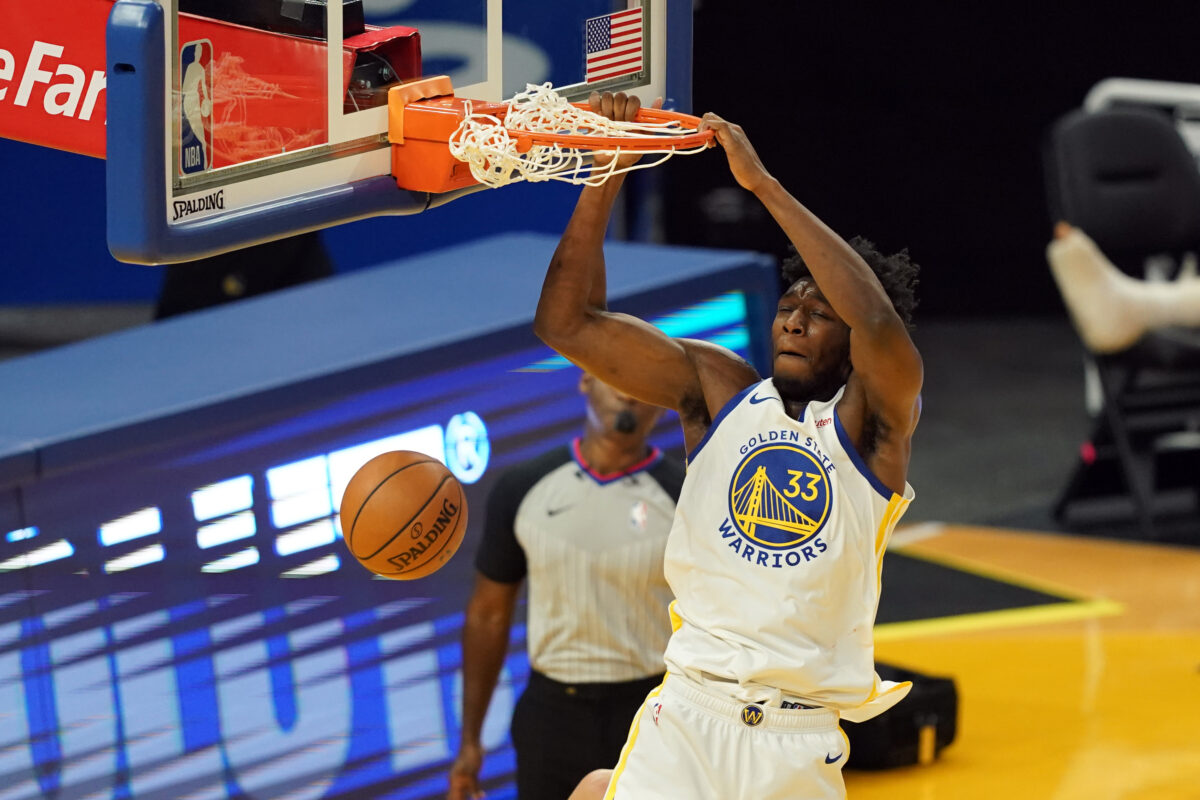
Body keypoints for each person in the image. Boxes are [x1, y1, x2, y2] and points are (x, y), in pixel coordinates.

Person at [534, 93, 922, 800]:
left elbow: (875, 319)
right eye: (788, 309)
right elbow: (567, 324)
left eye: (818, 315)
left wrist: (763, 187)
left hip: (794, 740)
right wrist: (606, 173)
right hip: (687, 714)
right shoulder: (719, 390)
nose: (794, 324)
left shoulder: (874, 429)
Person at [447, 372, 686, 800]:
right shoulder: (523, 487)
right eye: (614, 371)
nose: (629, 387)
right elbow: (487, 615)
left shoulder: (686, 496)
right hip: (552, 715)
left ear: (663, 400)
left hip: (654, 710)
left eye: (644, 378)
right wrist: (470, 742)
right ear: (585, 380)